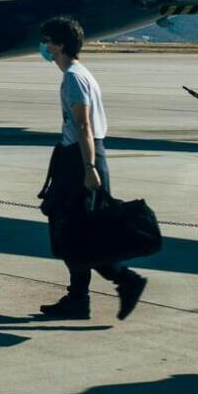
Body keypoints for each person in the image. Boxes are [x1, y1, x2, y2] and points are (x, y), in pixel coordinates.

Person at [35, 16, 147, 320]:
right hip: (83, 155)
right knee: (78, 232)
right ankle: (80, 298)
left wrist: (89, 167)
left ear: (59, 44)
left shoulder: (73, 76)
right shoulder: (81, 73)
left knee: (74, 232)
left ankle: (124, 280)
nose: (43, 47)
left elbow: (83, 124)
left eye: (47, 41)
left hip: (81, 158)